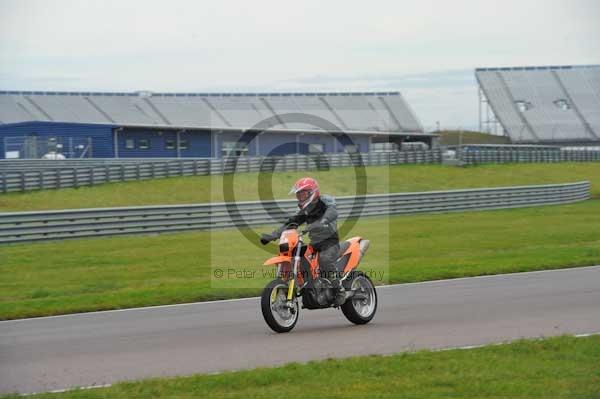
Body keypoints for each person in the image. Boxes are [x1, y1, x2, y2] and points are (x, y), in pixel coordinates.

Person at [260, 177, 344, 302]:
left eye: (303, 194)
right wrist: (274, 235)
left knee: (324, 259)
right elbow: (291, 223)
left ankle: (339, 290)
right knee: (300, 259)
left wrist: (323, 221)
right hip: (314, 243)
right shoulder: (303, 210)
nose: (300, 197)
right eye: (298, 195)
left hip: (330, 241)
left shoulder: (325, 200)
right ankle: (309, 287)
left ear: (312, 192)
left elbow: (332, 212)